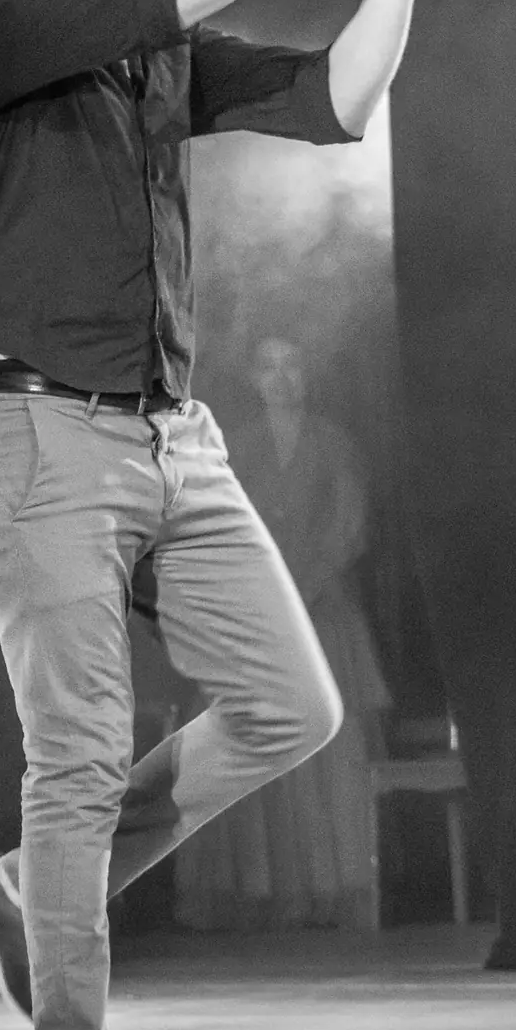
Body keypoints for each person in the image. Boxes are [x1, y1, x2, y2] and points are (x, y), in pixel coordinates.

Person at [0, 0, 477, 1030]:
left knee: (294, 704)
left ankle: (25, 896)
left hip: (174, 437)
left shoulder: (148, 47)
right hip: (38, 438)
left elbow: (334, 100)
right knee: (82, 758)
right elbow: (134, 4)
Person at [175, 336, 390, 933]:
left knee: (328, 754)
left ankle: (330, 891)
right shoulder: (235, 446)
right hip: (256, 615)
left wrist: (306, 583)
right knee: (248, 740)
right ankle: (259, 894)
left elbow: (350, 526)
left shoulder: (332, 441)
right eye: (268, 367)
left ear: (306, 373)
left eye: (291, 365)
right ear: (252, 377)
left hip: (323, 613)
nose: (281, 377)